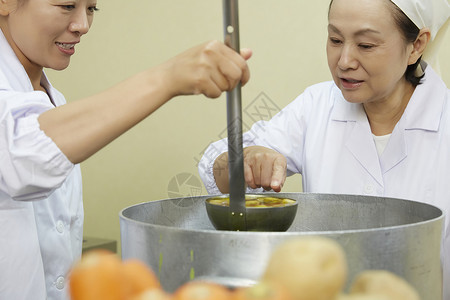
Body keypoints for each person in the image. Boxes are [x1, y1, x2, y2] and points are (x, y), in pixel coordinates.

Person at [0, 0, 251, 299]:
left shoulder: (52, 99)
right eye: (67, 5)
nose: (83, 25)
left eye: (92, 8)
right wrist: (167, 77)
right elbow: (25, 153)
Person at [198, 0, 450, 298]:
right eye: (335, 40)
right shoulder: (316, 106)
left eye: (366, 45)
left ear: (416, 45)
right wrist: (246, 161)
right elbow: (216, 170)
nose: (344, 61)